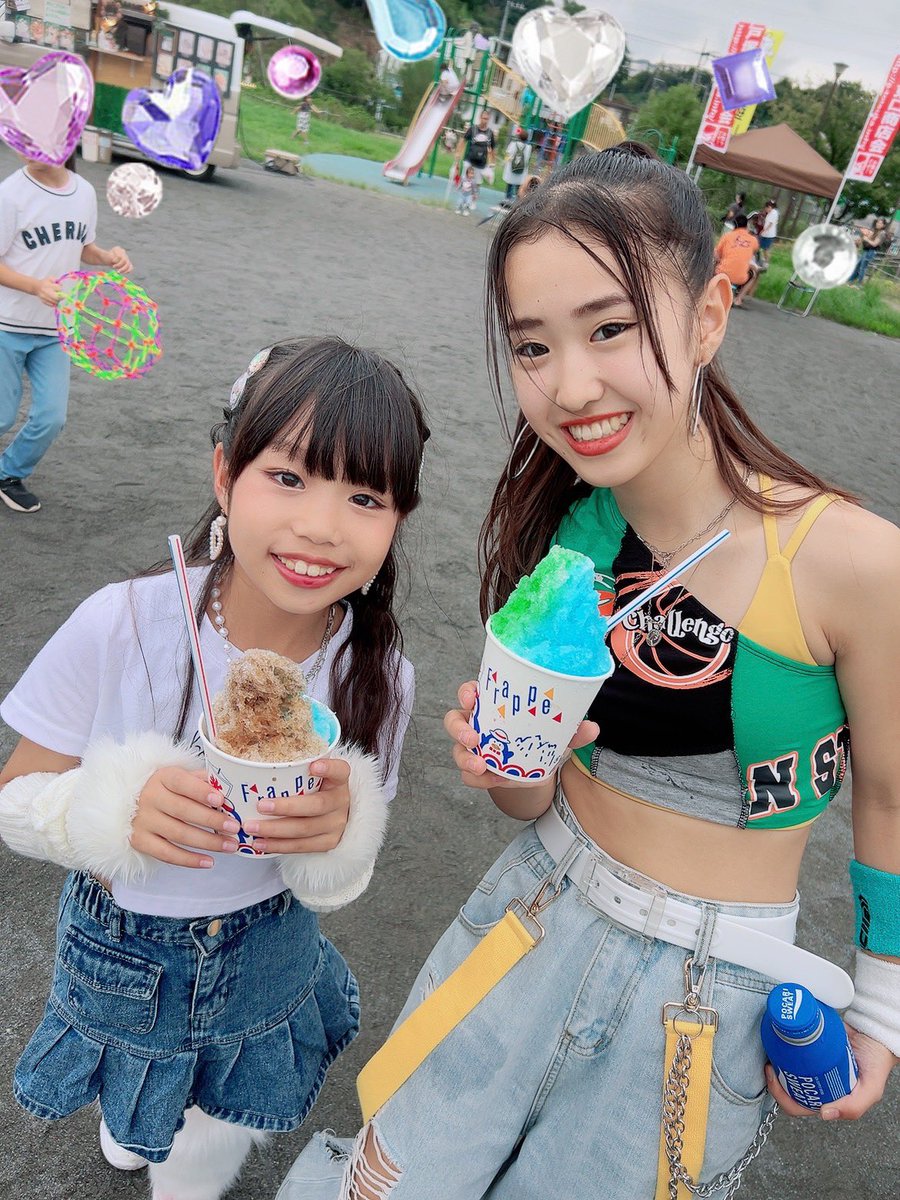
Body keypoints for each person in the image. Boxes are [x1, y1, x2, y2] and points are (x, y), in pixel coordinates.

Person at [278, 146, 900, 1200]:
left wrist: (882, 1004)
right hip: (527, 919)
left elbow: (889, 796)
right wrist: (509, 765)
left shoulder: (852, 561)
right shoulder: (568, 538)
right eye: (532, 346)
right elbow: (531, 801)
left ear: (707, 318)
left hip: (708, 996)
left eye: (611, 328)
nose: (569, 387)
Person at [0, 336, 430, 1200]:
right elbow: (13, 798)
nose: (321, 526)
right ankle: (136, 1120)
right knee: (135, 1112)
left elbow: (337, 883)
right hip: (120, 951)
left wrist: (339, 839)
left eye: (365, 497)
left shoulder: (378, 676)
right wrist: (104, 809)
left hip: (264, 954)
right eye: (288, 477)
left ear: (397, 521)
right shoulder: (123, 622)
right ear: (226, 474)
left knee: (200, 1158)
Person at [0, 154, 131, 514]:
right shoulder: (10, 194)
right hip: (7, 325)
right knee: (2, 416)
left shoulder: (83, 192)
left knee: (51, 417)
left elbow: (83, 248)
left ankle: (8, 474)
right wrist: (34, 286)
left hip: (56, 328)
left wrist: (108, 256)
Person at [715, 213, 760, 307]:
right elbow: (753, 252)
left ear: (734, 225)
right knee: (753, 274)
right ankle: (738, 299)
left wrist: (720, 260)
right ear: (746, 226)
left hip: (722, 272)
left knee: (715, 263)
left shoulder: (727, 236)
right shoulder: (753, 240)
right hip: (740, 277)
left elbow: (716, 254)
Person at [455, 108, 496, 186]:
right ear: (480, 118)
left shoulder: (490, 133)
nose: (485, 121)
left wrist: (493, 161)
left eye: (487, 119)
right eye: (484, 118)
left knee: (477, 184)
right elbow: (463, 140)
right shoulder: (472, 129)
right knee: (465, 182)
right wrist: (458, 152)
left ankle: (474, 192)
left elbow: (493, 148)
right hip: (469, 160)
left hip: (481, 163)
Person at [847, 217, 889, 286]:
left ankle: (859, 285)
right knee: (857, 266)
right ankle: (850, 281)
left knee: (862, 268)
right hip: (866, 250)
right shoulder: (877, 231)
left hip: (871, 252)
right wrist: (866, 235)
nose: (878, 224)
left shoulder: (882, 233)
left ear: (884, 225)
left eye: (880, 223)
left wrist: (866, 239)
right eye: (877, 222)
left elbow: (874, 244)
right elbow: (868, 238)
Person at [502, 127, 532, 201]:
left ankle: (507, 198)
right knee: (519, 185)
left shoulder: (513, 144)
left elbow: (508, 154)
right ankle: (517, 200)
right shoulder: (529, 147)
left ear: (519, 136)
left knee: (510, 183)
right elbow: (527, 158)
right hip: (522, 169)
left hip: (511, 167)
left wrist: (505, 162)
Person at [758, 198, 779, 267]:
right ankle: (762, 260)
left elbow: (770, 224)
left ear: (769, 207)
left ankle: (766, 263)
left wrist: (763, 231)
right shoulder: (771, 212)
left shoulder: (774, 213)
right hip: (766, 234)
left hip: (769, 235)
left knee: (766, 249)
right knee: (761, 247)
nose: (765, 209)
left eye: (766, 208)